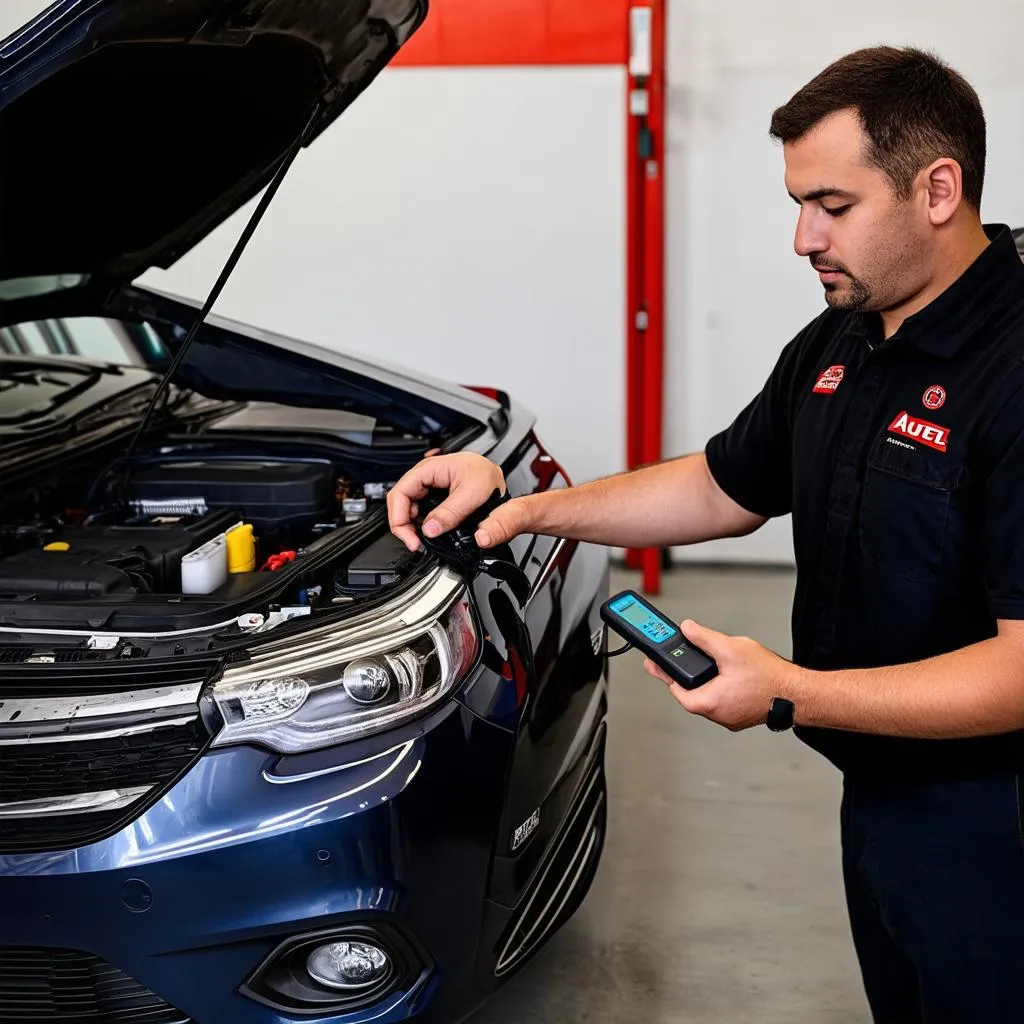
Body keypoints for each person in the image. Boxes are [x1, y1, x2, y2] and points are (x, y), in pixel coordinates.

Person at [386, 45, 1024, 1024]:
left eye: (832, 204)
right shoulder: (844, 337)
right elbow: (726, 484)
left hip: (993, 817)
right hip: (881, 785)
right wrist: (520, 506)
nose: (803, 237)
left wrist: (792, 691)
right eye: (795, 204)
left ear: (938, 189)